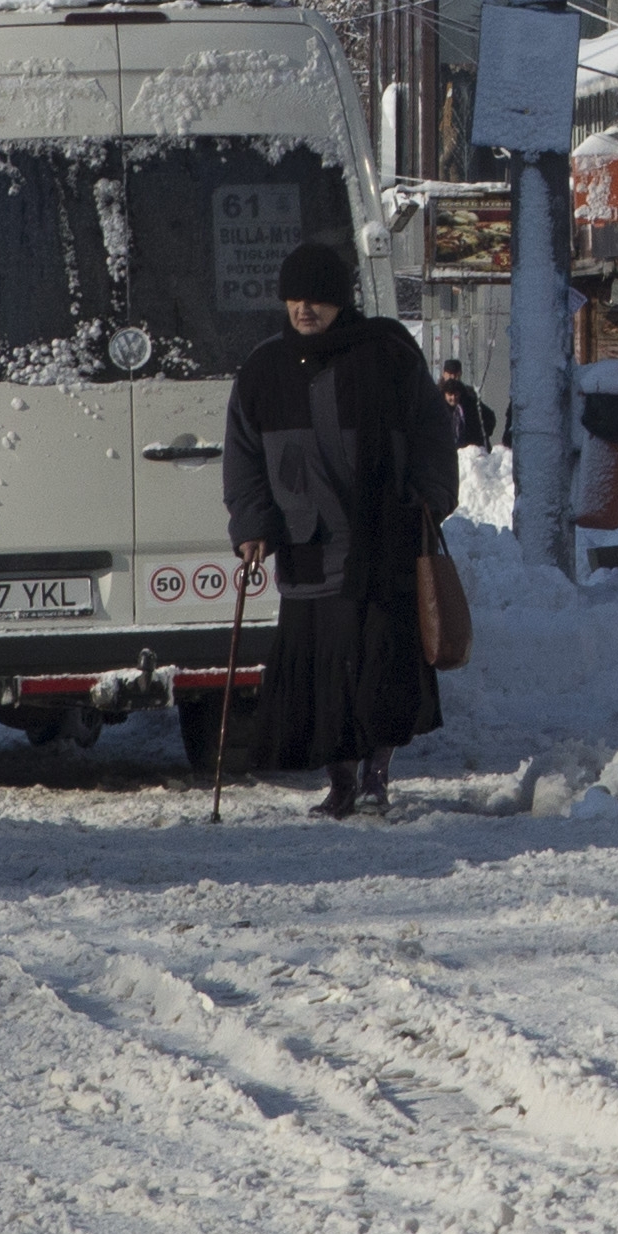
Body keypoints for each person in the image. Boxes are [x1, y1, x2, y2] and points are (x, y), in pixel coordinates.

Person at [220, 240, 462, 819]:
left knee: (381, 664)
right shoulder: (263, 370)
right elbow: (244, 456)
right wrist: (252, 523)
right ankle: (342, 781)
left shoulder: (386, 353)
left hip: (384, 536)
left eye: (319, 300)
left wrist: (430, 493)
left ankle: (377, 774)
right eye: (297, 299)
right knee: (324, 677)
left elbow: (432, 430)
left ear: (341, 301)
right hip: (309, 545)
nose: (307, 310)